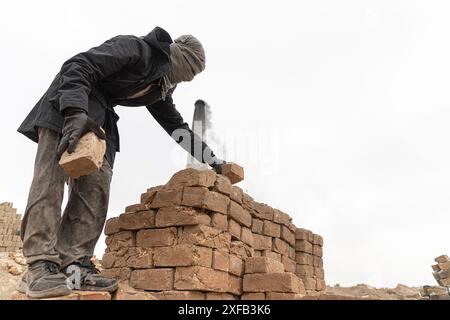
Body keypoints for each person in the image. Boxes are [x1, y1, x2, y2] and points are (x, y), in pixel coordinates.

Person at [17, 26, 225, 299]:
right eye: (190, 70)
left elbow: (176, 127)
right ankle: (39, 265)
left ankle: (74, 267)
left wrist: (211, 158)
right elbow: (78, 65)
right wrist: (75, 112)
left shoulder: (160, 88)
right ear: (178, 57)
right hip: (68, 107)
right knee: (50, 181)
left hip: (100, 120)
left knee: (95, 189)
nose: (188, 79)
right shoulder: (137, 50)